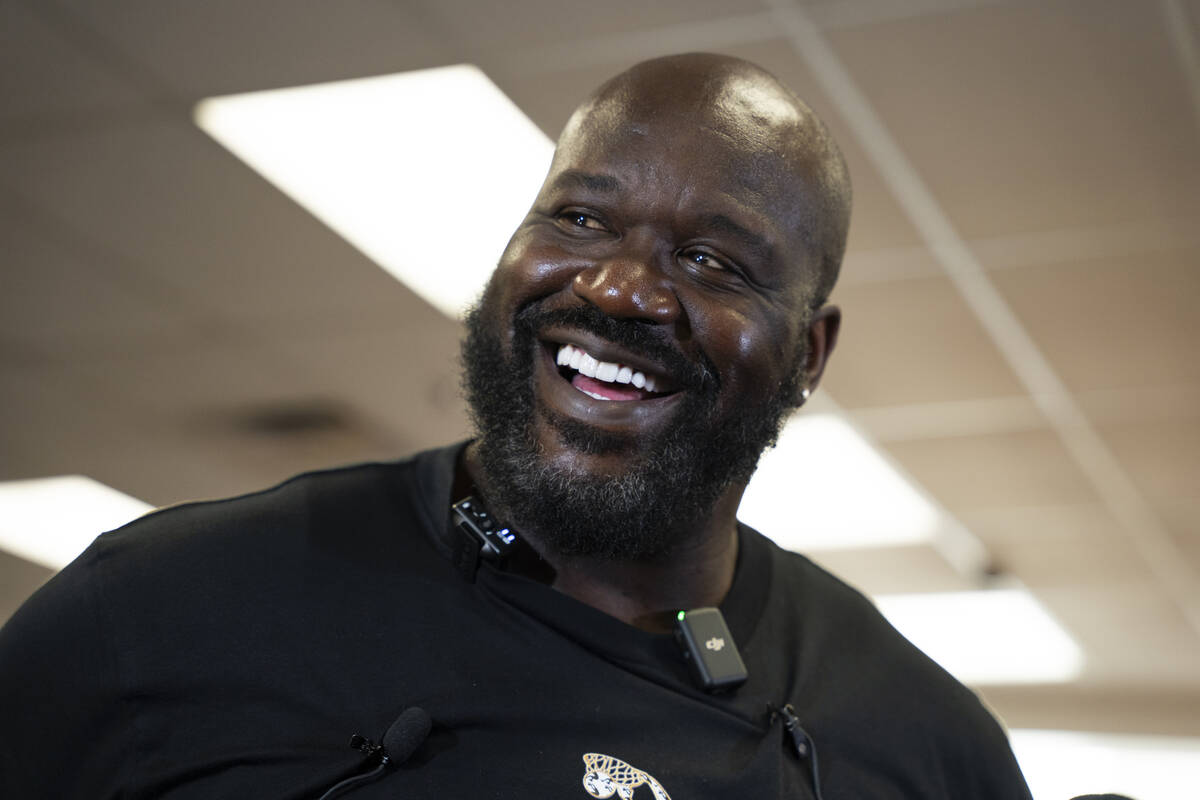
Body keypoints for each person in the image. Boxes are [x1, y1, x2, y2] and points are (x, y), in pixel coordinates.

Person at [0, 53, 1033, 798]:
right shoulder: (155, 610)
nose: (623, 287)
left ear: (808, 354)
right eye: (579, 218)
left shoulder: (923, 740)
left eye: (715, 260)